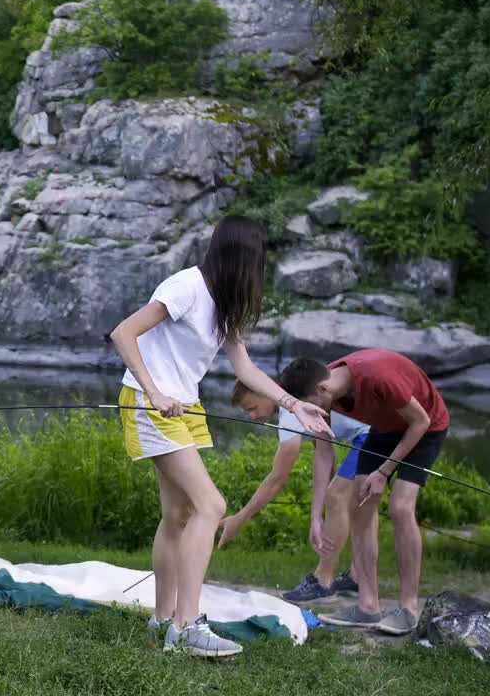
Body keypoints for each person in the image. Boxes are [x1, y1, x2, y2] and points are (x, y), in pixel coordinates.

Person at [109, 215, 333, 658]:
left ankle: (163, 620)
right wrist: (153, 392)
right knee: (211, 506)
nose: (258, 273)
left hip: (186, 406)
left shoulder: (223, 304)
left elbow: (245, 370)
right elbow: (124, 333)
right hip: (151, 401)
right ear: (240, 259)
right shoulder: (187, 286)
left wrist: (293, 404)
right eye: (257, 262)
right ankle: (188, 625)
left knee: (179, 514)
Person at [279, 350, 450, 636]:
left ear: (322, 390)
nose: (310, 413)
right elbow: (323, 454)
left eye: (309, 406)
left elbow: (419, 422)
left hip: (425, 425)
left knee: (400, 507)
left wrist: (383, 472)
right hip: (384, 428)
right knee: (359, 504)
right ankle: (368, 606)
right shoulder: (324, 396)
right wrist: (315, 517)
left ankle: (408, 608)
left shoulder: (376, 376)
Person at [218, 375, 370, 602]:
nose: (253, 416)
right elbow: (325, 450)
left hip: (372, 437)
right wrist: (317, 515)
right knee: (351, 500)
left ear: (265, 392)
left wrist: (239, 520)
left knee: (336, 497)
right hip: (374, 429)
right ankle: (357, 577)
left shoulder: (290, 413)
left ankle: (323, 581)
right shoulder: (300, 398)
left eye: (252, 408)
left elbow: (277, 478)